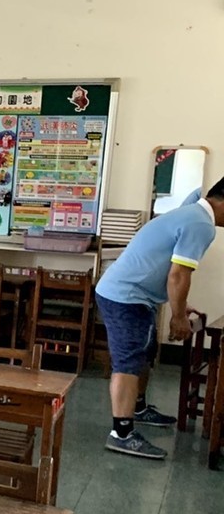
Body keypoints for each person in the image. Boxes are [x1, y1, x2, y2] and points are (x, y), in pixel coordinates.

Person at [93, 176, 224, 458]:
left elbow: (165, 266)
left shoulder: (192, 212)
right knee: (128, 361)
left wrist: (181, 305)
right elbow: (178, 274)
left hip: (133, 295)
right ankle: (121, 434)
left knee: (144, 353)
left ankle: (138, 408)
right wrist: (177, 317)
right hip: (126, 297)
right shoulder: (201, 224)